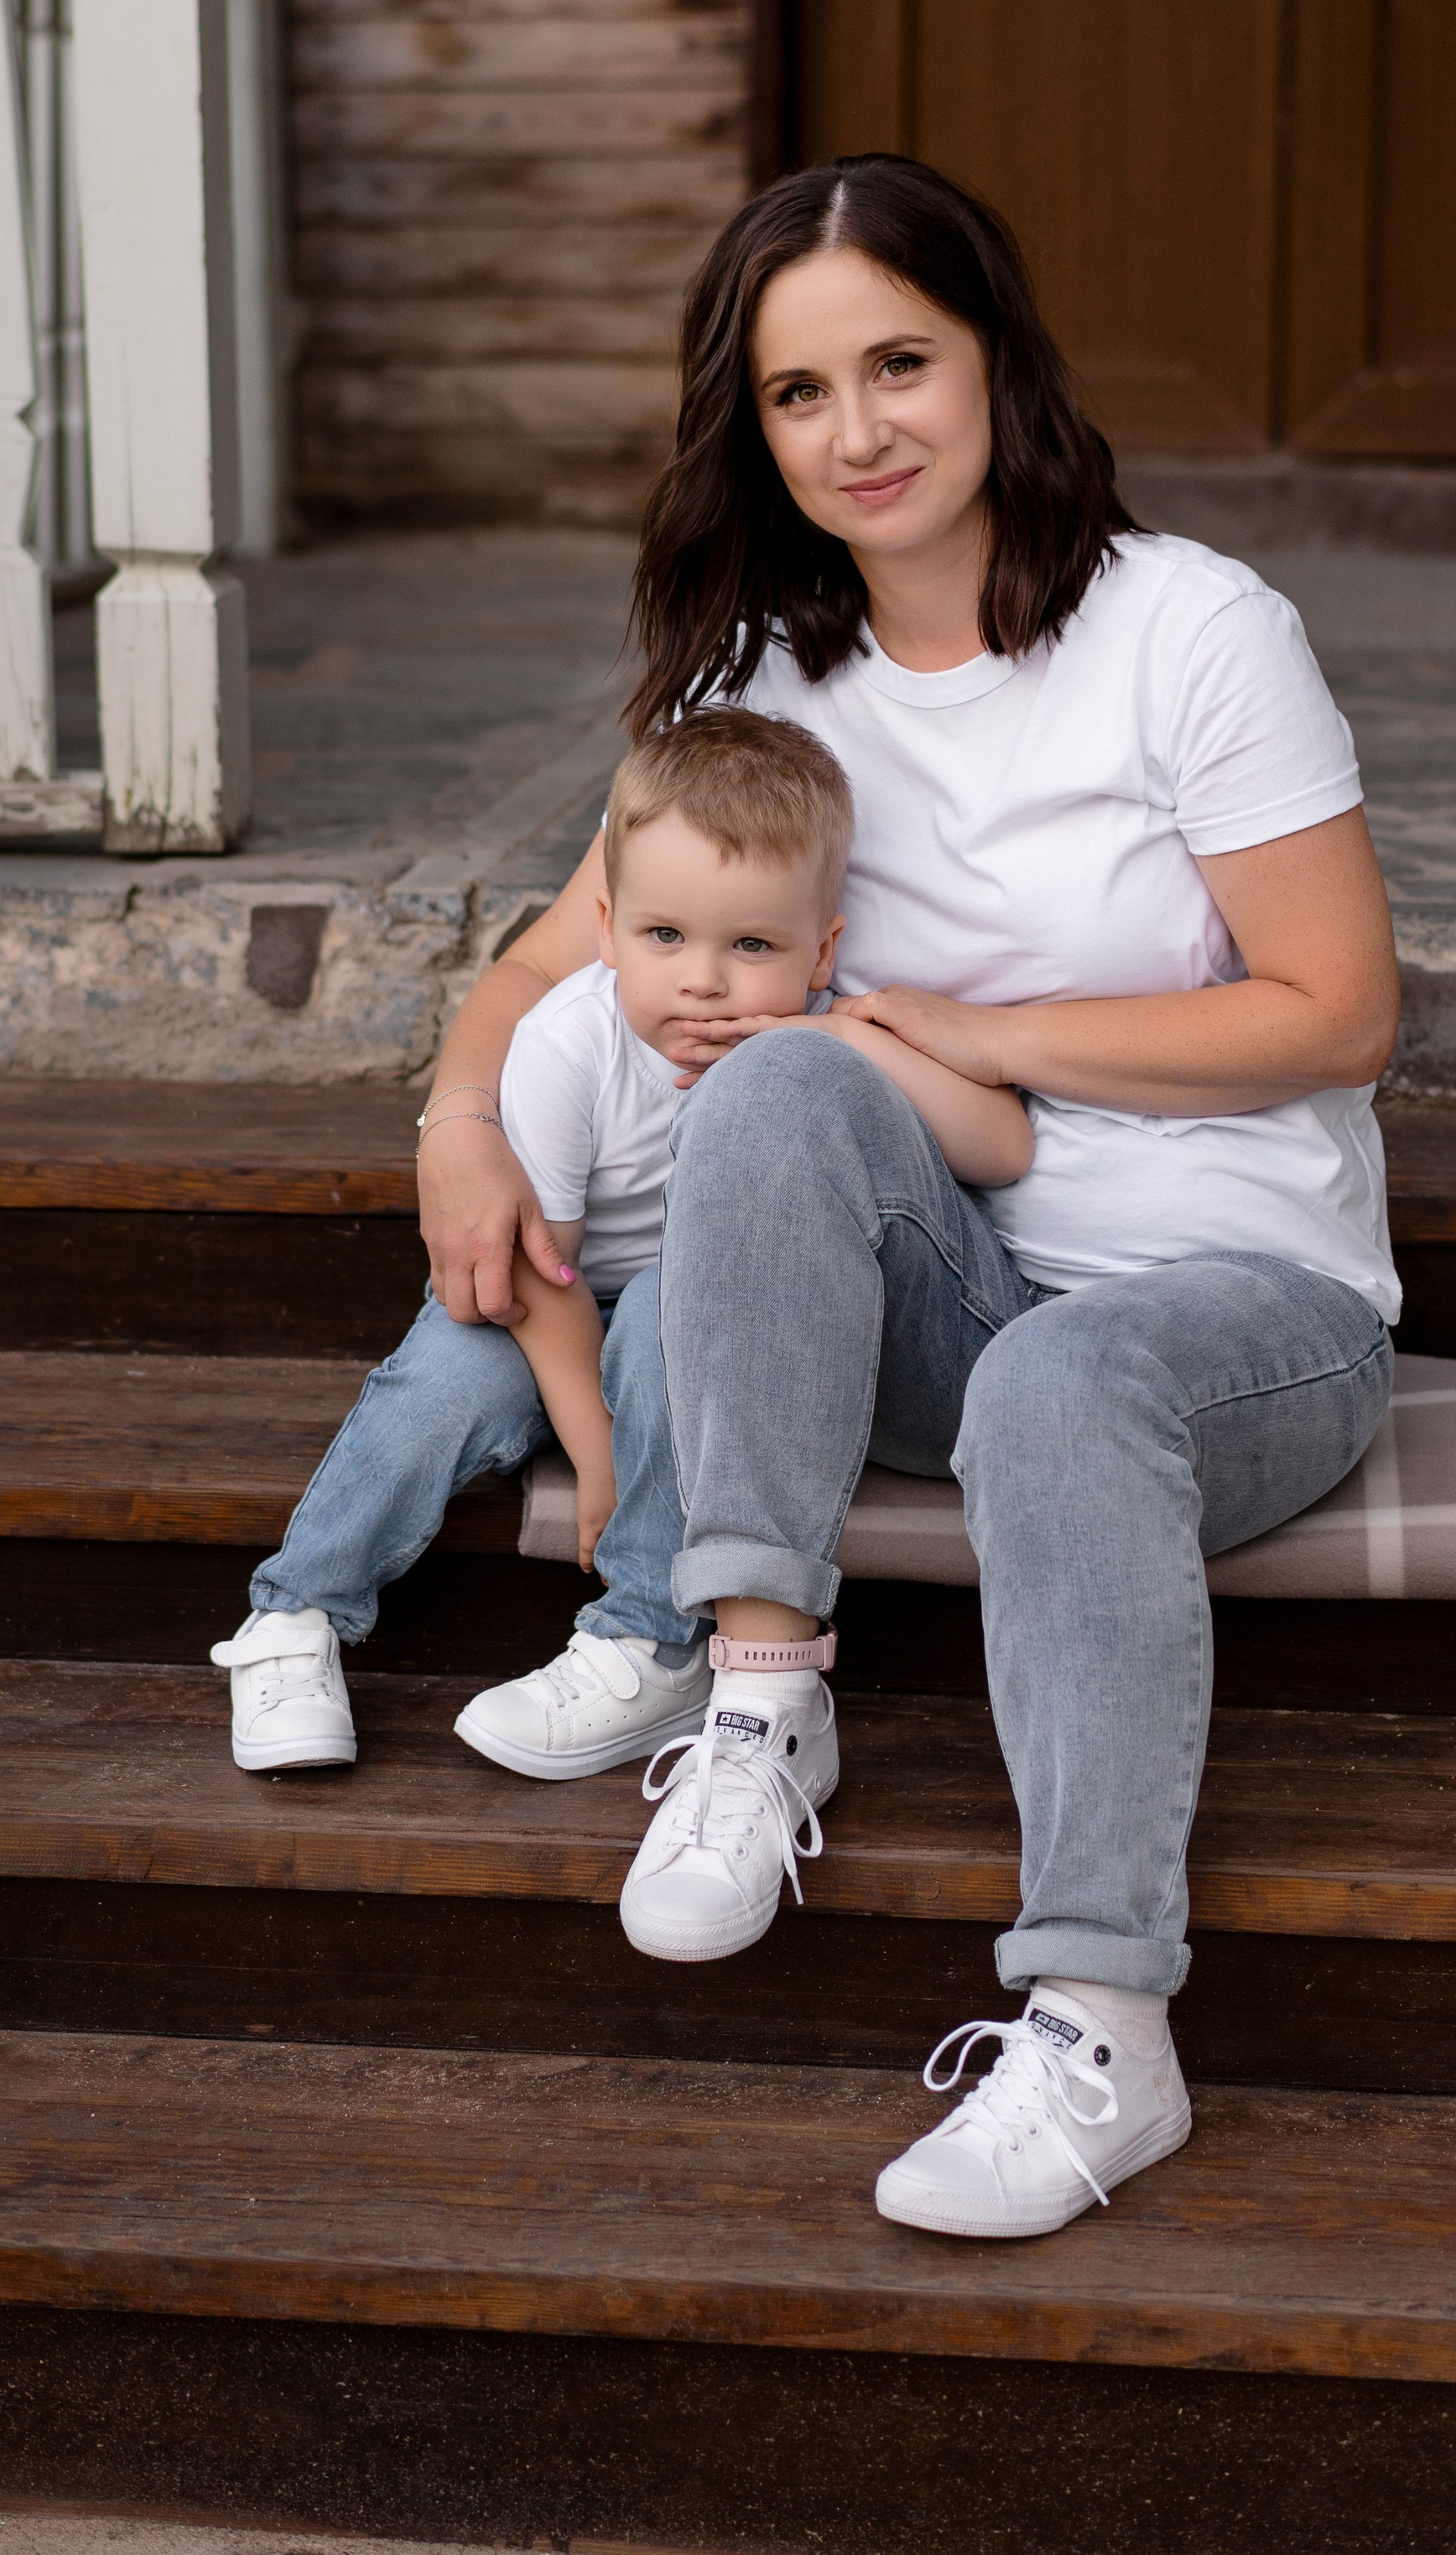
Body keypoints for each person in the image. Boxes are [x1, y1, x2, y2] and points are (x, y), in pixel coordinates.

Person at [415, 154, 1401, 2241]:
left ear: (994, 362)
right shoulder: (759, 688)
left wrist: (976, 1032)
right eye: (798, 391)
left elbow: (1333, 1012)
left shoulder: (1187, 630)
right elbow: (550, 960)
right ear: (750, 429)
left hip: (1238, 1308)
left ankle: (1102, 2026)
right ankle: (759, 1698)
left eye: (897, 364)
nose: (855, 430)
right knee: (780, 1080)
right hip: (943, 1298)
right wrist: (458, 1118)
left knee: (1052, 1370)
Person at [209, 705, 1029, 1782]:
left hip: (684, 1318)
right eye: (664, 937)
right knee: (439, 1387)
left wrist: (839, 1037)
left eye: (752, 945)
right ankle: (296, 1614)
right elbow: (539, 1268)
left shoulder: (822, 1049)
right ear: (606, 928)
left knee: (659, 1314)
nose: (703, 979)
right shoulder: (569, 1042)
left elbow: (1003, 1143)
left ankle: (644, 1635)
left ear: (820, 949)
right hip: (541, 1296)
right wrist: (597, 1453)